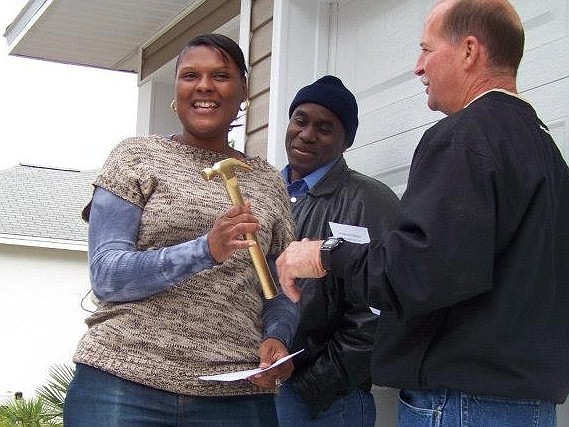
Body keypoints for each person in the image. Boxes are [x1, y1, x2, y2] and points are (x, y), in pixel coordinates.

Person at [276, 1, 569, 426]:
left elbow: (416, 272)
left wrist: (323, 255)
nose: (417, 67)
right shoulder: (546, 152)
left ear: (469, 52)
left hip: (461, 404)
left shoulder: (464, 136)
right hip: (526, 405)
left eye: (426, 50)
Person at [63, 33, 298, 427]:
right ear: (176, 90)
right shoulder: (136, 156)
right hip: (125, 382)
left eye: (220, 75)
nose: (204, 86)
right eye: (191, 75)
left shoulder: (269, 181)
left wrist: (278, 336)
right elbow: (107, 276)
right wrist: (206, 248)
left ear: (243, 90)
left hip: (235, 396)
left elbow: (280, 287)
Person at [274, 75, 399, 426]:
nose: (307, 133)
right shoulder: (266, 194)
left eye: (325, 128)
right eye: (300, 120)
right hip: (258, 389)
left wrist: (315, 386)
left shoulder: (368, 200)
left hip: (325, 401)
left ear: (346, 142)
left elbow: (381, 309)